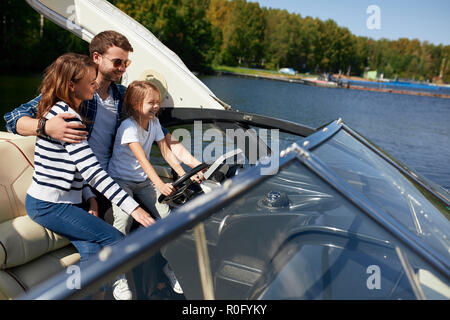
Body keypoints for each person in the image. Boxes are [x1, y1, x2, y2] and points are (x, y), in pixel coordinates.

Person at [24, 53, 156, 300]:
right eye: (89, 81)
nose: (96, 85)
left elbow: (75, 168)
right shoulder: (66, 119)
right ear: (72, 85)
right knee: (116, 240)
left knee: (92, 254)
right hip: (49, 205)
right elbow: (94, 173)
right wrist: (135, 209)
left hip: (66, 202)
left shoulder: (67, 110)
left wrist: (89, 198)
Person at [108, 80, 188, 295]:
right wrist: (160, 184)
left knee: (167, 215)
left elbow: (165, 151)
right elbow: (143, 160)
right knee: (123, 220)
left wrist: (183, 173)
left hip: (142, 181)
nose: (156, 106)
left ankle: (169, 265)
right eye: (150, 102)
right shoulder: (128, 127)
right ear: (135, 104)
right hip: (120, 180)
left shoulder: (154, 123)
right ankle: (117, 274)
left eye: (158, 102)